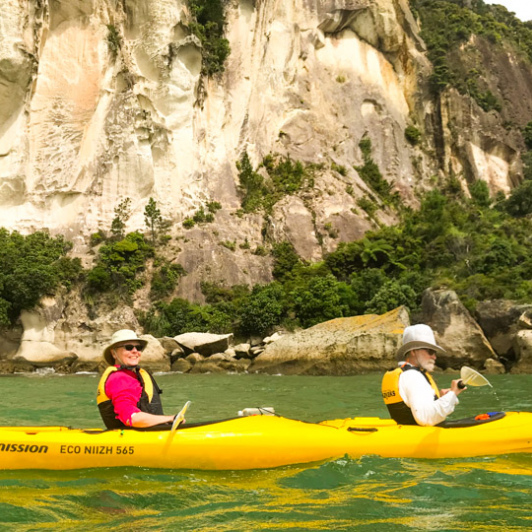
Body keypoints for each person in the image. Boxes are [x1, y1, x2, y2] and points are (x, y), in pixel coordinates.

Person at [381, 324, 466, 426]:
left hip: (406, 435)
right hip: (416, 438)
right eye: (430, 351)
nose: (434, 357)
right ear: (413, 352)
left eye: (434, 352)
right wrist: (453, 393)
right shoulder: (413, 376)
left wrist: (443, 398)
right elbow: (425, 418)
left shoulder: (406, 374)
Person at [97, 329, 177, 429]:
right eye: (128, 347)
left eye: (138, 347)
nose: (135, 351)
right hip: (132, 440)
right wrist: (170, 418)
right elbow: (131, 418)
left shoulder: (132, 375)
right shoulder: (119, 379)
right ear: (114, 353)